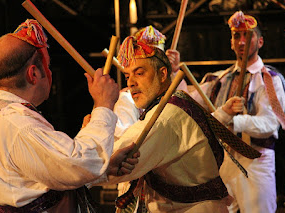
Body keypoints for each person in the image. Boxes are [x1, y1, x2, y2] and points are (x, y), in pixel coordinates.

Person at [0, 19, 139, 213]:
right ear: (33, 74)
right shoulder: (19, 125)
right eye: (48, 66)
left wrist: (105, 167)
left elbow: (39, 176)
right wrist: (104, 105)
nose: (50, 72)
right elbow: (81, 163)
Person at [95, 33, 260, 212]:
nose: (132, 82)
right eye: (127, 76)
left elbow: (114, 162)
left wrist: (99, 116)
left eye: (140, 73)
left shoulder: (166, 117)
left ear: (163, 73)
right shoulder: (173, 103)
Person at [187, 11, 285, 213]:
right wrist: (173, 71)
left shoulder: (269, 79)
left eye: (248, 36)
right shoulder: (218, 79)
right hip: (224, 161)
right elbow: (187, 105)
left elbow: (269, 125)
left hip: (256, 161)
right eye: (236, 36)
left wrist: (236, 122)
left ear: (260, 42)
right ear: (231, 43)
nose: (242, 42)